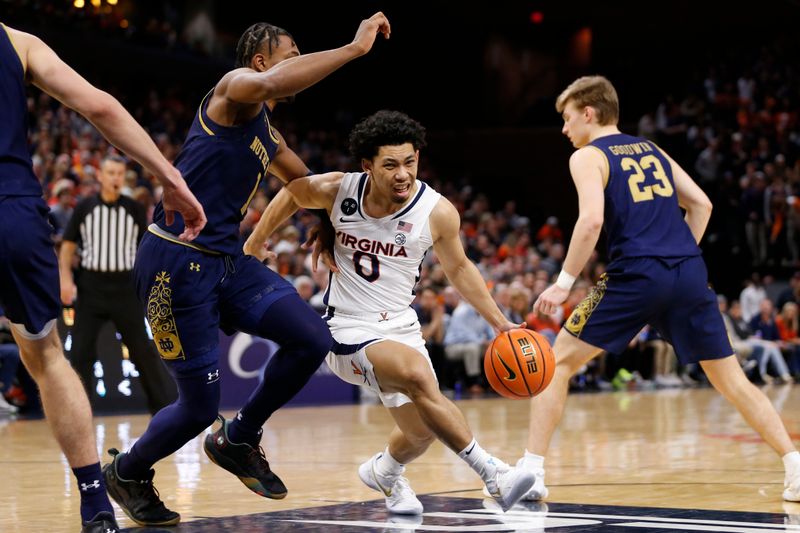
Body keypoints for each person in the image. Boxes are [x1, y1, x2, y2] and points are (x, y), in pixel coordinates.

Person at [102, 14, 393, 527]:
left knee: (310, 339)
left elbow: (305, 185)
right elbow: (272, 84)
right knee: (196, 408)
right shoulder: (233, 89)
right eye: (292, 53)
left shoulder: (267, 132)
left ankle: (239, 438)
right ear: (260, 61)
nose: (300, 61)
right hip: (173, 263)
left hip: (228, 262)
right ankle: (128, 471)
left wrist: (329, 230)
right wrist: (351, 50)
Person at [521, 76, 800, 503]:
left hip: (636, 273)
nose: (564, 129)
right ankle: (794, 466)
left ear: (589, 113)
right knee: (732, 381)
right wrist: (680, 254)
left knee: (555, 365)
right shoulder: (653, 149)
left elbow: (591, 221)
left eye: (567, 118)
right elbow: (702, 204)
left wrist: (562, 284)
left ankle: (531, 473)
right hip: (688, 272)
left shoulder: (588, 156)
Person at [246, 110, 535, 514]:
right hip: (346, 329)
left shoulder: (437, 211)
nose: (403, 173)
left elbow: (459, 268)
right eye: (391, 165)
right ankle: (495, 475)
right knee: (419, 378)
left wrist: (499, 321)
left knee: (421, 430)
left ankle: (385, 471)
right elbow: (293, 191)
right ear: (367, 165)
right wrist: (256, 241)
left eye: (410, 162)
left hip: (401, 326)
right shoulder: (339, 190)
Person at [0, 23, 205, 533]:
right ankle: (95, 503)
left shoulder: (124, 209)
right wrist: (170, 175)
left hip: (113, 283)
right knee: (48, 356)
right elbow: (101, 107)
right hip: (14, 213)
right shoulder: (17, 42)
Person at [59, 155, 176, 415]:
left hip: (125, 287)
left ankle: (163, 412)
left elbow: (144, 248)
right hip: (91, 286)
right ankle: (79, 412)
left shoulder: (133, 208)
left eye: (119, 174)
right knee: (80, 352)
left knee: (142, 352)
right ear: (100, 176)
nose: (115, 178)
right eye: (110, 173)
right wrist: (65, 279)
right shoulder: (85, 207)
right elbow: (67, 246)